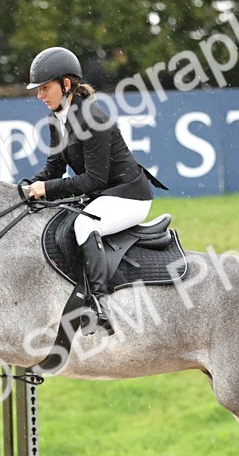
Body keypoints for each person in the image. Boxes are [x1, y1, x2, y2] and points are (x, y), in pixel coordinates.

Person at [24, 46, 165, 328]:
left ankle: (98, 302)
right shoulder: (57, 118)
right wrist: (28, 185)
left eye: (45, 88)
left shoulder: (93, 119)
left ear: (66, 84)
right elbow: (54, 167)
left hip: (129, 196)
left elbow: (94, 180)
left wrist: (48, 189)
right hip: (103, 194)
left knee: (85, 227)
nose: (39, 95)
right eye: (37, 89)